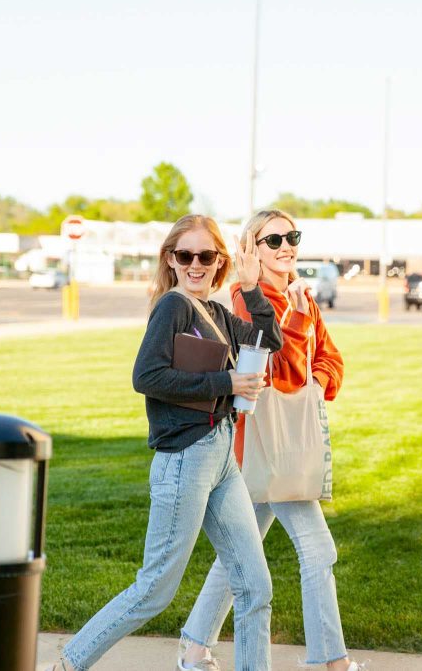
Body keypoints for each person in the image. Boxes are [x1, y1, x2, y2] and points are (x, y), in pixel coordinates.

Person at [51, 214, 283, 671]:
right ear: (171, 260)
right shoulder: (172, 307)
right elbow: (147, 376)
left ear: (219, 261)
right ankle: (68, 664)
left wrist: (252, 287)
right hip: (184, 460)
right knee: (155, 587)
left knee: (255, 585)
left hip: (220, 456)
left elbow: (267, 339)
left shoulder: (216, 312)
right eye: (185, 255)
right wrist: (227, 381)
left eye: (206, 256)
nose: (195, 265)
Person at [177, 210, 362, 671]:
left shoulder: (301, 295)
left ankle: (195, 645)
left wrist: (318, 382)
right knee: (319, 550)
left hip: (282, 443)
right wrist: (299, 329)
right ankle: (329, 662)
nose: (285, 246)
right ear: (252, 249)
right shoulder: (246, 298)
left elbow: (330, 358)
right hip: (258, 443)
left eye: (291, 237)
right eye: (273, 239)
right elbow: (273, 370)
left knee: (243, 551)